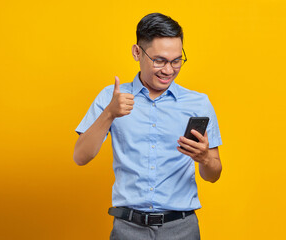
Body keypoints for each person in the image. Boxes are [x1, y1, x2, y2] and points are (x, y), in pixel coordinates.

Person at [73, 12, 222, 240]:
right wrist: (110, 114)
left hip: (182, 228)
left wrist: (205, 159)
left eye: (176, 60)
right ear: (137, 52)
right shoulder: (111, 98)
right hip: (128, 228)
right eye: (159, 60)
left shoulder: (198, 103)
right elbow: (80, 157)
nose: (168, 70)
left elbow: (213, 175)